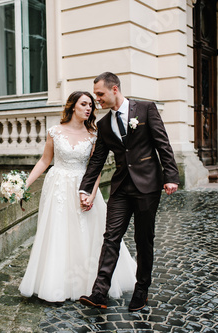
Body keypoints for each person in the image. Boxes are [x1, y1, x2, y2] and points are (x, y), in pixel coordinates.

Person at [19, 91, 137, 303]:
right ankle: (56, 283)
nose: (88, 108)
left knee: (89, 232)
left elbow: (97, 168)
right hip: (58, 187)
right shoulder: (54, 132)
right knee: (58, 232)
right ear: (73, 106)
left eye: (91, 105)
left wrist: (90, 194)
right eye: (84, 104)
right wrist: (23, 186)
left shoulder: (94, 134)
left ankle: (88, 283)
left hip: (84, 184)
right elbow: (45, 161)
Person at [78, 72, 179, 312]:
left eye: (100, 94)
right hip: (121, 187)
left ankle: (141, 290)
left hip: (147, 185)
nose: (97, 100)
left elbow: (162, 144)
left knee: (143, 239)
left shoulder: (145, 109)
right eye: (95, 95)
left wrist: (170, 176)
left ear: (115, 89)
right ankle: (99, 292)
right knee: (111, 237)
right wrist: (84, 187)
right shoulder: (103, 125)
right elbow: (97, 161)